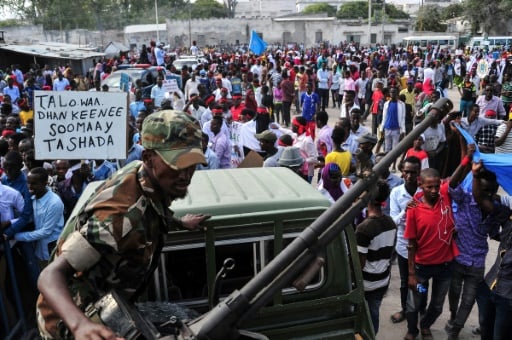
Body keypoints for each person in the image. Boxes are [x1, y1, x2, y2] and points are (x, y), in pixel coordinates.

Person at [36, 110, 210, 339]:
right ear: (148, 157)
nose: (186, 175)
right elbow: (50, 275)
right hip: (71, 319)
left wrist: (178, 222)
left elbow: (150, 207)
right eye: (178, 164)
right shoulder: (116, 218)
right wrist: (80, 326)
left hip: (109, 306)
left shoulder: (141, 173)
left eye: (192, 164)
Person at [403, 167, 460, 340]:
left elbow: (459, 174)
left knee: (437, 306)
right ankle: (412, 330)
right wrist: (411, 274)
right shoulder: (414, 209)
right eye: (430, 187)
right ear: (421, 185)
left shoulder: (445, 197)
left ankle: (425, 325)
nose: (434, 191)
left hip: (445, 267)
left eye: (436, 186)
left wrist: (466, 155)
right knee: (414, 303)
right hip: (421, 270)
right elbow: (411, 244)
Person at [471, 161, 512, 340]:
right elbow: (481, 199)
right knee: (486, 331)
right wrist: (475, 175)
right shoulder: (508, 216)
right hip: (490, 286)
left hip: (508, 297)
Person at [355, 179, 396, 334]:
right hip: (383, 280)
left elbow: (360, 264)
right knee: (374, 314)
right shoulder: (391, 223)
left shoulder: (364, 229)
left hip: (367, 284)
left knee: (362, 319)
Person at [389, 156, 422, 326]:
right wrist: (406, 211)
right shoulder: (396, 192)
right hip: (403, 246)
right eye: (407, 172)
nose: (409, 175)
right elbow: (393, 221)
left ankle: (421, 310)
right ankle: (405, 308)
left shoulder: (425, 191)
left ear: (419, 173)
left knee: (421, 282)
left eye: (413, 172)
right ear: (402, 172)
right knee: (404, 282)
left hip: (423, 247)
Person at [14, 167, 64, 267]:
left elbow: (46, 231)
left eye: (34, 183)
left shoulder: (54, 202)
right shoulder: (32, 197)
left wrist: (16, 236)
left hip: (51, 252)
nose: (29, 186)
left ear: (44, 183)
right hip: (39, 250)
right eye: (28, 182)